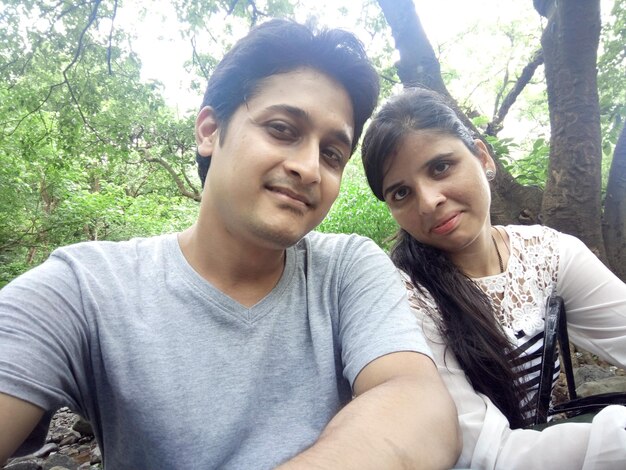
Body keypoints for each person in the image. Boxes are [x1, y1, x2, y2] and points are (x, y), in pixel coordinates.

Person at [0, 21, 461, 469]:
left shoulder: (346, 268)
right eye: (282, 129)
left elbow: (418, 405)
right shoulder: (85, 290)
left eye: (331, 154)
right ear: (208, 131)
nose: (309, 168)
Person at [361, 87, 626, 469]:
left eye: (440, 167)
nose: (429, 200)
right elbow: (488, 453)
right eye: (401, 192)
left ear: (482, 157)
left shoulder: (546, 252)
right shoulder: (404, 298)